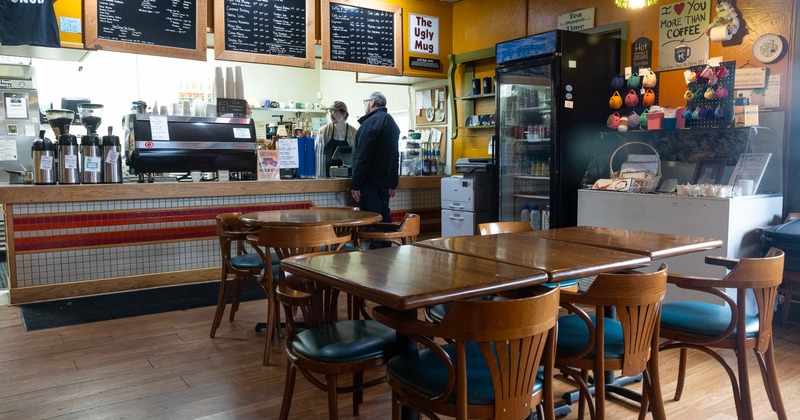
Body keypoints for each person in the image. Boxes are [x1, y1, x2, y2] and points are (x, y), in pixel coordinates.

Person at [351, 92, 400, 225]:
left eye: (366, 102)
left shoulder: (370, 123)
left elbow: (363, 156)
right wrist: (392, 183)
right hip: (385, 185)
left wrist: (355, 184)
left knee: (372, 223)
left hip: (369, 184)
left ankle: (378, 247)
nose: (365, 105)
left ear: (372, 103)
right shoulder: (391, 122)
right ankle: (388, 246)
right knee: (384, 222)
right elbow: (394, 155)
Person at [317, 101, 357, 176]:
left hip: (347, 176)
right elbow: (316, 153)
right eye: (330, 112)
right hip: (327, 175)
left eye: (335, 112)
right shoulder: (324, 131)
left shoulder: (353, 133)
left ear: (344, 114)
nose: (331, 115)